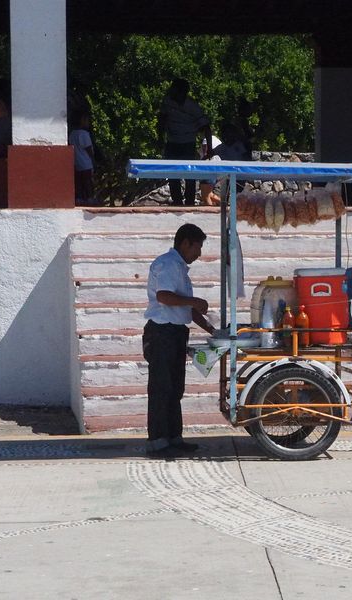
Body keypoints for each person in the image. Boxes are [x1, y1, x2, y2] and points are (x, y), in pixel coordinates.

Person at [143, 223, 215, 456]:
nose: (199, 253)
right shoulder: (167, 264)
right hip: (162, 331)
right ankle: (158, 441)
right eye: (198, 247)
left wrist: (212, 330)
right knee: (161, 388)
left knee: (175, 389)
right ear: (186, 243)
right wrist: (195, 302)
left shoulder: (180, 268)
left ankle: (174, 437)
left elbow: (187, 307)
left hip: (175, 332)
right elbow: (164, 297)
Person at [157, 78, 212, 206]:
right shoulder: (167, 102)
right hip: (172, 142)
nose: (171, 91)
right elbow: (162, 120)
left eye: (174, 89)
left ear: (181, 91)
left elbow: (206, 128)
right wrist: (160, 138)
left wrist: (209, 148)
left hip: (188, 143)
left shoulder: (193, 106)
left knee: (189, 173)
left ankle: (189, 201)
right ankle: (177, 201)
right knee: (172, 173)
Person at [69, 110, 96, 206]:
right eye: (87, 120)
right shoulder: (84, 134)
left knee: (79, 182)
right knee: (88, 182)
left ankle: (79, 198)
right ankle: (89, 198)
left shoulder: (72, 134)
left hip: (77, 163)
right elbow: (89, 149)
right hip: (86, 163)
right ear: (82, 120)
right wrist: (93, 160)